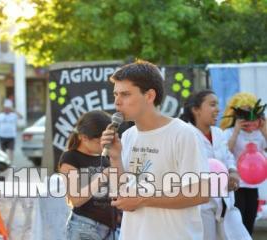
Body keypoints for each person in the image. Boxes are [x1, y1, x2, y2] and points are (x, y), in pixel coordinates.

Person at [100, 60, 209, 240]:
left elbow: (201, 193)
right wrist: (116, 158)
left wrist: (143, 199)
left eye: (125, 94)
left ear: (149, 96)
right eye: (116, 94)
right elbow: (123, 195)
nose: (117, 102)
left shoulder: (183, 134)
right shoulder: (127, 136)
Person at [180, 90, 251, 240]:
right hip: (200, 205)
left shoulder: (218, 133)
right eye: (212, 105)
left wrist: (232, 172)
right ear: (196, 110)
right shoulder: (185, 134)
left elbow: (228, 157)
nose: (218, 109)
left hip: (225, 201)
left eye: (218, 105)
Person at [59, 110, 119, 240]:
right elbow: (75, 199)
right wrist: (102, 177)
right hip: (85, 227)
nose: (104, 146)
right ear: (84, 137)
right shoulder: (70, 157)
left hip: (110, 228)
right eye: (100, 142)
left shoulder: (105, 157)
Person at [220, 92, 267, 235]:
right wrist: (236, 130)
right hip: (236, 185)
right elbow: (225, 151)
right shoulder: (228, 133)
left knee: (250, 220)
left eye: (250, 114)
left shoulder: (260, 134)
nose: (248, 119)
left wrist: (263, 127)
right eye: (243, 115)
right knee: (237, 223)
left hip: (253, 185)